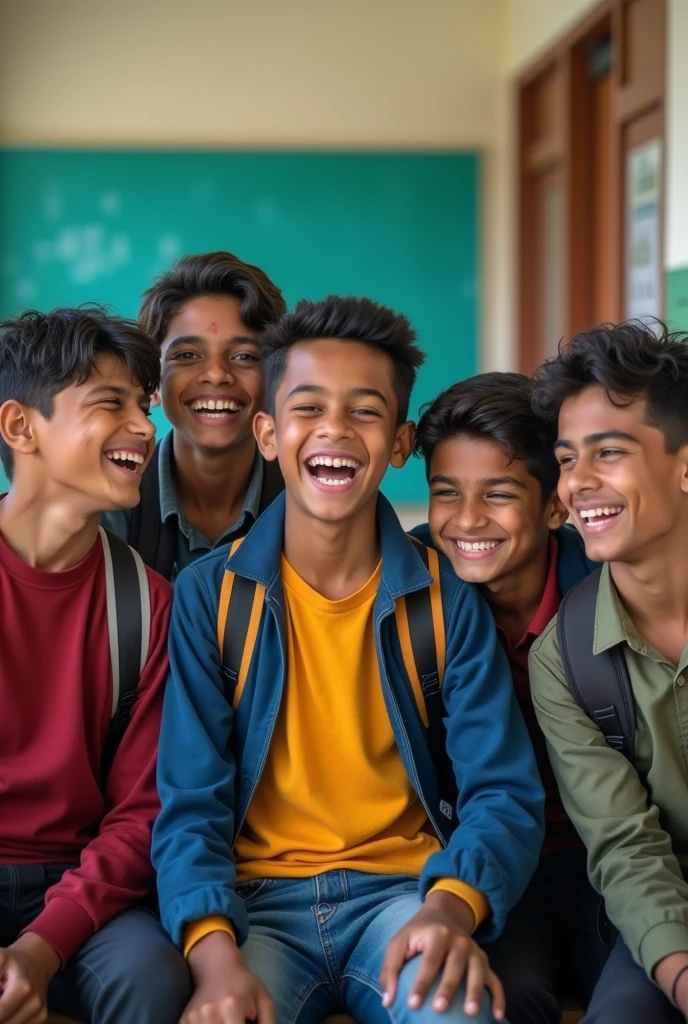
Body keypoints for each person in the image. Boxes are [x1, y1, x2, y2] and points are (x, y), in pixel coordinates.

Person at [152, 295, 544, 1024]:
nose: (334, 429)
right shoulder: (211, 595)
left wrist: (451, 912)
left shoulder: (444, 595)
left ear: (398, 445)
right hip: (256, 910)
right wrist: (212, 952)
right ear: (268, 433)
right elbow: (189, 804)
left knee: (458, 1013)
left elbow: (501, 792)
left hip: (404, 896)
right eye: (308, 408)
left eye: (364, 412)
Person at [0, 307, 189, 1024]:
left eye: (142, 406)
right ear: (21, 427)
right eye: (111, 404)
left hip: (84, 890)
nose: (145, 428)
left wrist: (41, 949)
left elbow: (143, 813)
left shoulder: (148, 605)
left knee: (150, 978)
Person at [412, 372, 606, 1023]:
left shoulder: (607, 591)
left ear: (555, 507)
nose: (467, 520)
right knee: (504, 997)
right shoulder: (412, 598)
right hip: (485, 866)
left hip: (601, 859)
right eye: (446, 494)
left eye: (498, 494)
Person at [528, 322, 688, 1023]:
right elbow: (626, 845)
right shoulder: (564, 659)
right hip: (668, 913)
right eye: (567, 459)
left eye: (609, 453)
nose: (577, 484)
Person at [102, 250, 286, 581]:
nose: (216, 375)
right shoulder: (109, 510)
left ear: (277, 381)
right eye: (187, 355)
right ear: (151, 383)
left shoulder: (310, 505)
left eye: (245, 356)